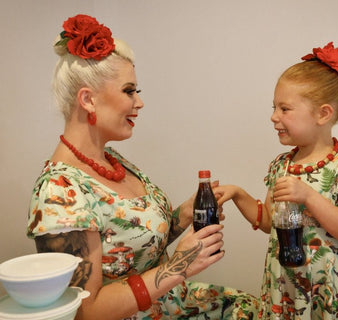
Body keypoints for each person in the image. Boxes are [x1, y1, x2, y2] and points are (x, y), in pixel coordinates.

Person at [27, 14, 258, 320]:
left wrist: (184, 215)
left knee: (253, 306)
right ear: (88, 99)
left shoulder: (113, 160)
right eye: (128, 91)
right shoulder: (60, 193)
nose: (139, 103)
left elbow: (135, 243)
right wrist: (178, 267)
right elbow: (86, 311)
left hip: (172, 302)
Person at [214, 42, 338, 319]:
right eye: (274, 107)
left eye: (285, 109)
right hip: (282, 290)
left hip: (326, 293)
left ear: (323, 114)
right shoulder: (282, 164)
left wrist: (310, 197)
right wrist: (238, 194)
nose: (274, 116)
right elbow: (268, 223)